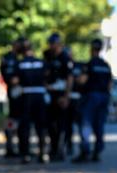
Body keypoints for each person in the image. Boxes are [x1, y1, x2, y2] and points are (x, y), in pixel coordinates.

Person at [74, 38, 112, 163]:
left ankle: (85, 151)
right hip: (103, 97)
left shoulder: (89, 64)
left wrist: (76, 80)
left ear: (91, 49)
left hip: (91, 96)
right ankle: (97, 151)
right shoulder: (106, 65)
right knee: (99, 125)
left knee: (86, 124)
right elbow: (109, 85)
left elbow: (82, 80)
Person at [14, 40, 49, 164]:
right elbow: (46, 78)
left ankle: (26, 154)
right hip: (40, 95)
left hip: (26, 96)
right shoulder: (41, 62)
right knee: (41, 126)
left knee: (25, 126)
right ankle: (43, 152)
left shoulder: (20, 63)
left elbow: (15, 80)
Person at [43, 33, 74, 161]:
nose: (51, 46)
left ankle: (62, 148)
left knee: (62, 124)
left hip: (61, 94)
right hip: (50, 93)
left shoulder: (65, 58)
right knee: (50, 124)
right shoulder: (47, 56)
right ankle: (53, 147)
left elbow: (69, 78)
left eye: (53, 44)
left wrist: (66, 96)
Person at [0, 38, 24, 157]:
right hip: (14, 94)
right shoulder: (8, 58)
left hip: (24, 94)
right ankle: (10, 146)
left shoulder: (22, 58)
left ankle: (22, 146)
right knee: (13, 119)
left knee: (21, 120)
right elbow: (8, 77)